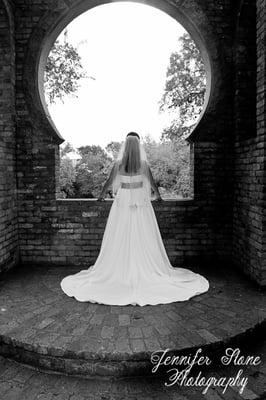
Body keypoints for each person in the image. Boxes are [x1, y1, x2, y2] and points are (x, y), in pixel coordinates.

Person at [60, 132, 209, 306]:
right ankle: (143, 268)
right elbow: (152, 183)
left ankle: (121, 269)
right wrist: (158, 196)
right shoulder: (144, 164)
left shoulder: (119, 164)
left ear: (125, 146)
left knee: (120, 233)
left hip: (123, 200)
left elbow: (109, 181)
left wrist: (101, 196)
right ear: (138, 147)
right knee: (143, 233)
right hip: (140, 199)